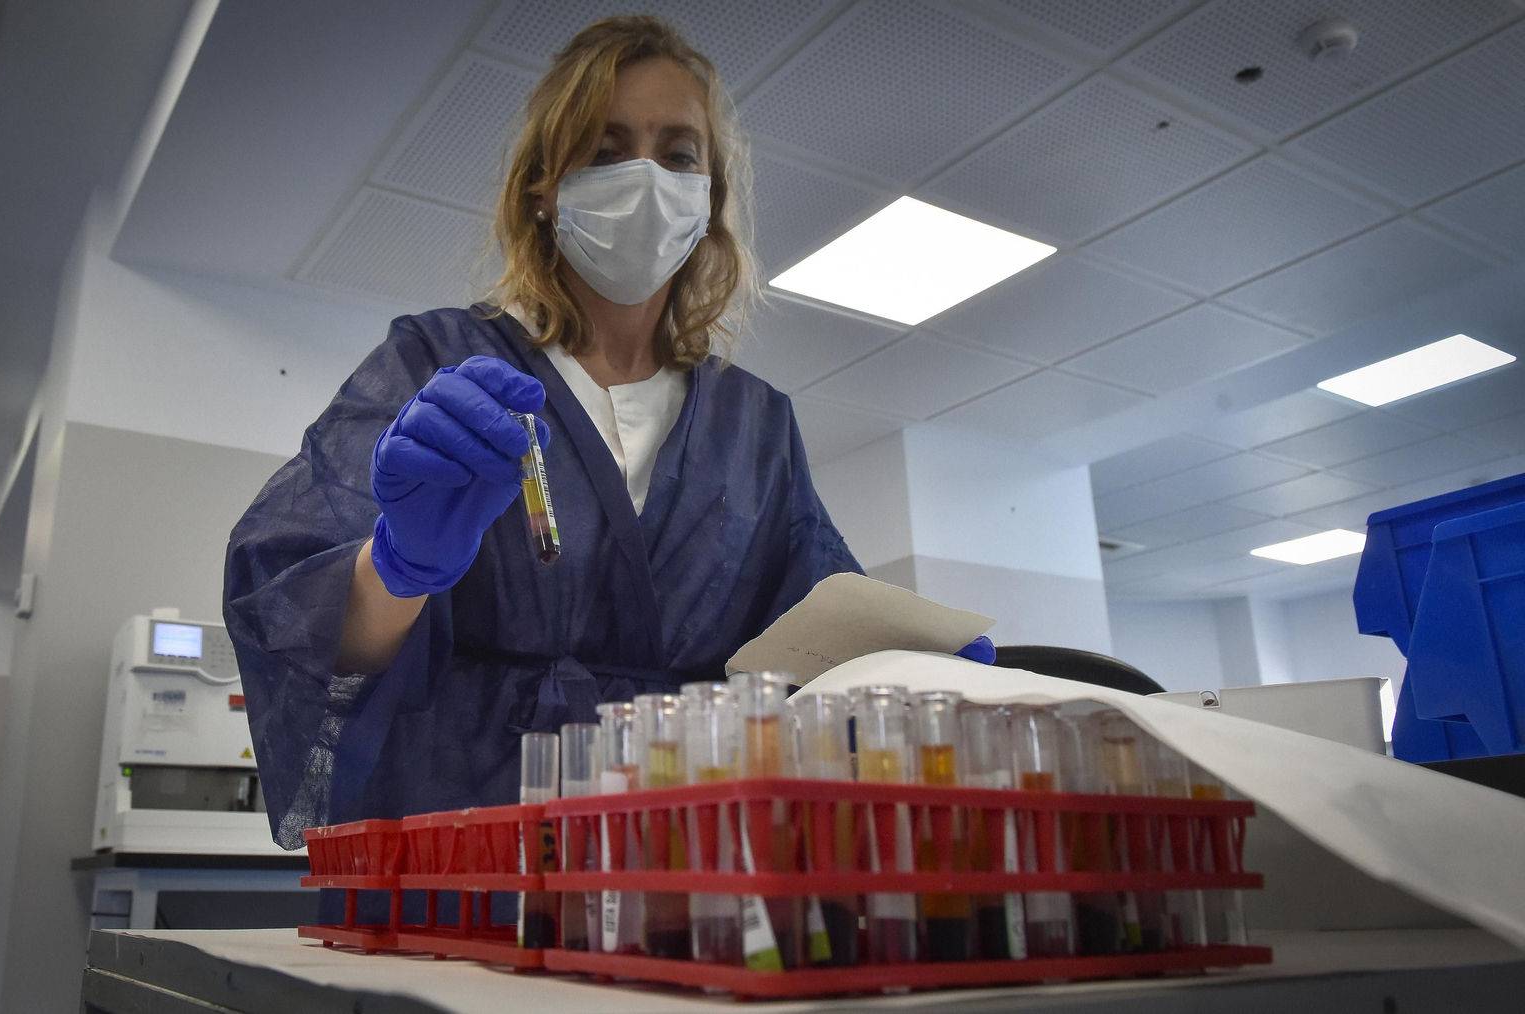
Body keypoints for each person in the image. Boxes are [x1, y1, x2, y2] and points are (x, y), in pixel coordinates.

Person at [224, 16, 992, 850]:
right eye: (604, 149)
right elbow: (295, 617)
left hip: (686, 863)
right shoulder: (441, 362)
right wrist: (397, 567)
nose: (645, 178)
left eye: (678, 155)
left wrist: (909, 669)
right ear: (542, 190)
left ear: (708, 202)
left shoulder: (756, 426)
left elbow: (815, 648)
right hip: (466, 851)